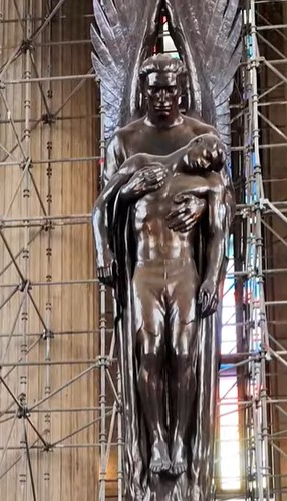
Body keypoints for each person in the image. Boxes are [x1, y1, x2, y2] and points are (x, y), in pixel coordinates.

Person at [93, 132, 229, 475]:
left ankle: (180, 441)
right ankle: (155, 439)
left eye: (214, 159)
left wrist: (212, 278)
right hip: (145, 271)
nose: (208, 159)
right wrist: (104, 248)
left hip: (184, 272)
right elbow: (100, 208)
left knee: (184, 355)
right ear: (197, 140)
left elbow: (218, 236)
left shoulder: (209, 185)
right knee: (149, 352)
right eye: (209, 150)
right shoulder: (139, 163)